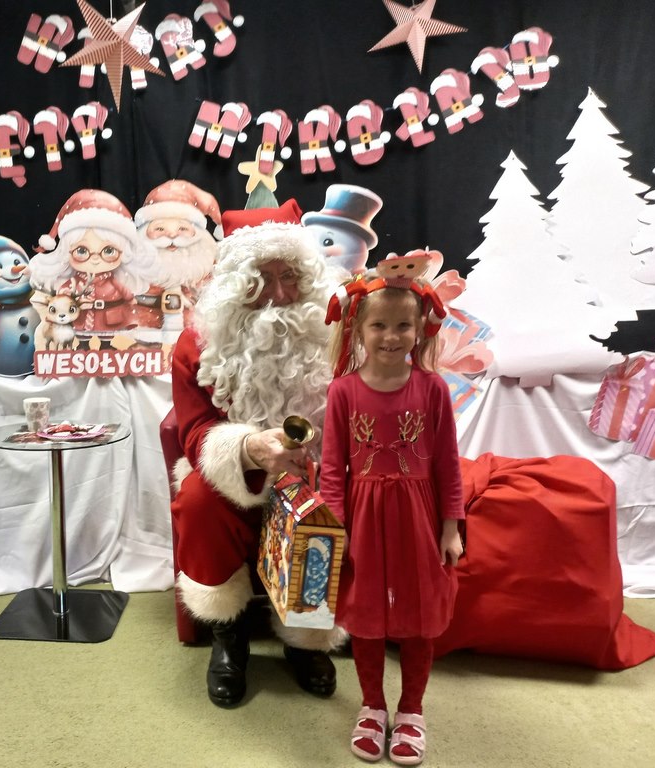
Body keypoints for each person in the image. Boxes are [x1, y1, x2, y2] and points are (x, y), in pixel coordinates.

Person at [170, 200, 350, 708]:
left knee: (338, 505)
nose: (279, 294)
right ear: (235, 284)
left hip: (317, 470)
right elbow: (195, 431)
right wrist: (249, 448)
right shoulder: (196, 344)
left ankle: (306, 638)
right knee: (198, 502)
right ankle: (229, 635)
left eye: (289, 276)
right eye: (261, 279)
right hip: (238, 474)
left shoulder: (337, 333)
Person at [318, 253, 463, 766]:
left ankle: (412, 710)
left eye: (403, 325)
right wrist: (334, 529)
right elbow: (332, 469)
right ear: (358, 328)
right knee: (367, 617)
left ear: (420, 329)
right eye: (379, 325)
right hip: (361, 519)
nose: (391, 336)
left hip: (419, 519)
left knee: (418, 617)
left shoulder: (433, 389)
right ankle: (373, 707)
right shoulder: (342, 391)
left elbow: (448, 463)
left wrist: (451, 527)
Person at [30, 189, 157, 349]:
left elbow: (124, 291)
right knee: (82, 334)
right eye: (82, 251)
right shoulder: (75, 281)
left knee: (107, 335)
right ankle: (83, 345)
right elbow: (65, 291)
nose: (95, 258)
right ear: (67, 252)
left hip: (108, 316)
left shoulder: (113, 281)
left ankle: (106, 345)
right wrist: (65, 295)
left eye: (108, 251)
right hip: (82, 316)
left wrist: (129, 298)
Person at [131, 180, 221, 345]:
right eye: (160, 229)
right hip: (143, 336)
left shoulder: (208, 263)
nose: (172, 235)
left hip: (197, 337)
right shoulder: (134, 268)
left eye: (182, 229)